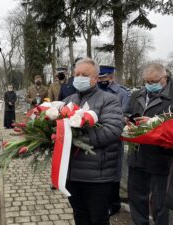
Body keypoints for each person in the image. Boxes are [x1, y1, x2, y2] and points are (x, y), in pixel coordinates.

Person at [63, 58, 124, 225]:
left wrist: (76, 139)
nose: (79, 77)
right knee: (79, 215)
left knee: (98, 219)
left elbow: (112, 131)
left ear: (96, 78)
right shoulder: (68, 100)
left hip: (97, 176)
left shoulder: (109, 100)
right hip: (72, 174)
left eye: (85, 74)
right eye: (77, 74)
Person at [127, 63, 173, 225]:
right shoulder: (136, 95)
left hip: (161, 158)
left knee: (160, 203)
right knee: (136, 199)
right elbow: (128, 112)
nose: (149, 85)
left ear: (165, 78)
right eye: (147, 82)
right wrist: (128, 120)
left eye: (153, 81)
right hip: (136, 156)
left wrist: (154, 123)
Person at [97, 65, 131, 216]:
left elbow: (125, 115)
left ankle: (114, 203)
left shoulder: (122, 93)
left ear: (111, 77)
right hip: (96, 137)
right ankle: (101, 203)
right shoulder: (95, 90)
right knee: (99, 171)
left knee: (114, 171)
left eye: (104, 78)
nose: (101, 80)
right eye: (99, 78)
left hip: (114, 139)